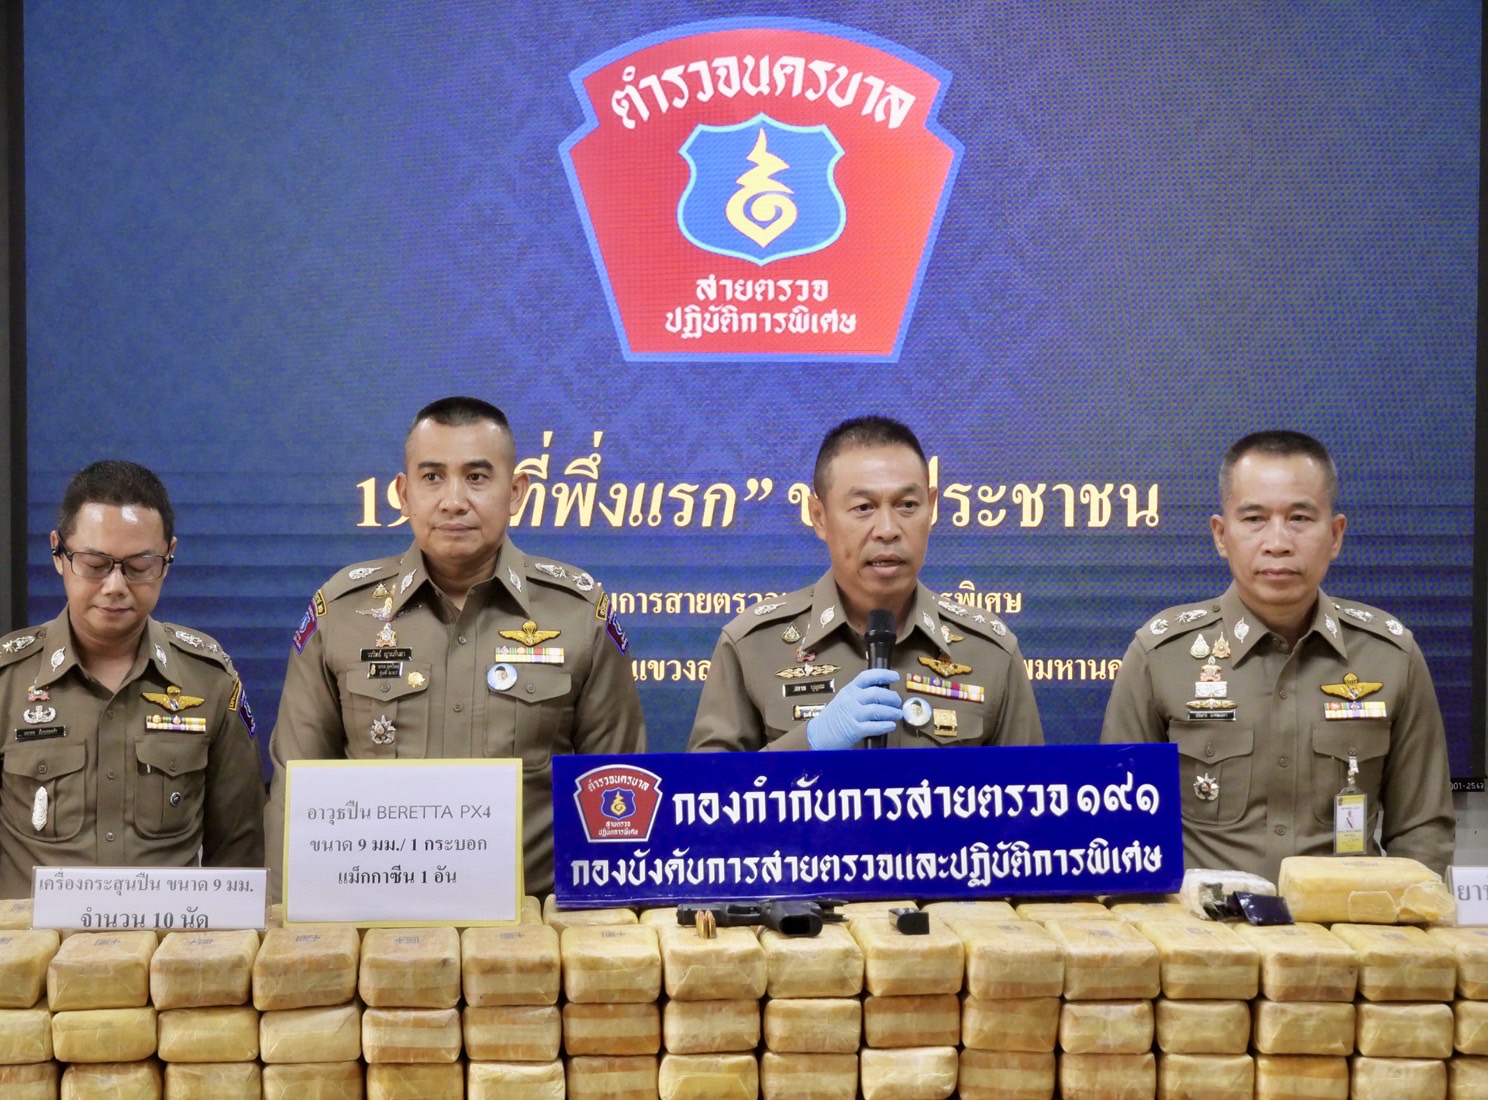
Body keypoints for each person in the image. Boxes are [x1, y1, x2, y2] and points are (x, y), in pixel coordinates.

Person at [265, 397, 644, 898]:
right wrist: (290, 924)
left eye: (477, 477)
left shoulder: (577, 613)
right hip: (374, 915)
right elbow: (295, 795)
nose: (453, 500)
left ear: (516, 492)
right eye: (432, 477)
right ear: (404, 493)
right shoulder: (342, 613)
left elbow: (618, 789)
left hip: (533, 923)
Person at [1100, 430, 1454, 881]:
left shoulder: (1390, 656)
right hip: (1200, 924)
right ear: (1221, 535)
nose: (1278, 542)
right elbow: (1121, 834)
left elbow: (1422, 832)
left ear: (1336, 535)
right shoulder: (1160, 656)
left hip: (1346, 921)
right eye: (1255, 519)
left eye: (1300, 518)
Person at [688, 416, 1043, 752]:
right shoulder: (754, 646)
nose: (887, 530)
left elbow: (1035, 791)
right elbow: (703, 790)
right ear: (819, 516)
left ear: (932, 508)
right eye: (863, 508)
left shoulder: (990, 652)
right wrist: (809, 744)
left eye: (907, 505)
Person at [0, 461, 263, 896]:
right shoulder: (8, 681)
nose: (115, 585)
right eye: (95, 564)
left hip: (169, 936)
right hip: (30, 940)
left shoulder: (209, 680)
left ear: (169, 557)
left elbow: (240, 855)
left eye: (140, 566)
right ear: (58, 553)